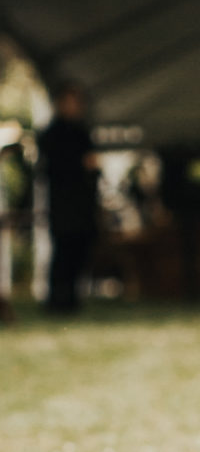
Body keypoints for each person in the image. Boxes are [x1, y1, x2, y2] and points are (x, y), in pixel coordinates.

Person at [37, 82, 100, 313]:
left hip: (83, 205)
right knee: (63, 253)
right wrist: (80, 165)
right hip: (63, 206)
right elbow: (50, 169)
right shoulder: (52, 134)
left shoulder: (82, 132)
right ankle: (57, 301)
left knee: (79, 252)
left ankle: (72, 300)